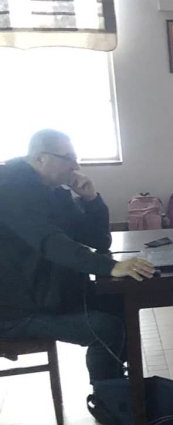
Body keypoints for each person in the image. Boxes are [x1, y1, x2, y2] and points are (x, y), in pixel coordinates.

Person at [0, 130, 157, 386]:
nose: (76, 166)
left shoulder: (52, 191)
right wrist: (110, 267)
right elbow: (50, 242)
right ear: (40, 158)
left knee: (121, 303)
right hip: (16, 310)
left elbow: (99, 240)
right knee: (106, 328)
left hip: (48, 293)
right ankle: (108, 397)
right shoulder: (9, 189)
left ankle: (124, 390)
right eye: (68, 158)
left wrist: (91, 199)